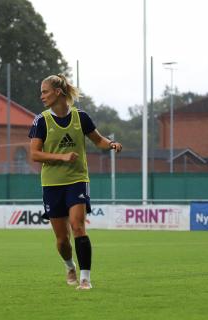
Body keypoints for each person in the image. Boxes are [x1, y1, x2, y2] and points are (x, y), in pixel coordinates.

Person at [28, 74, 122, 290]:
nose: (41, 96)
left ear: (58, 92)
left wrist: (112, 144)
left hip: (77, 180)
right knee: (62, 240)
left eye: (45, 91)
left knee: (78, 227)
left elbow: (98, 140)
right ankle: (69, 265)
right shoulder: (41, 120)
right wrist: (61, 157)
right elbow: (34, 154)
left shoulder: (81, 117)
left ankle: (85, 279)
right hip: (52, 184)